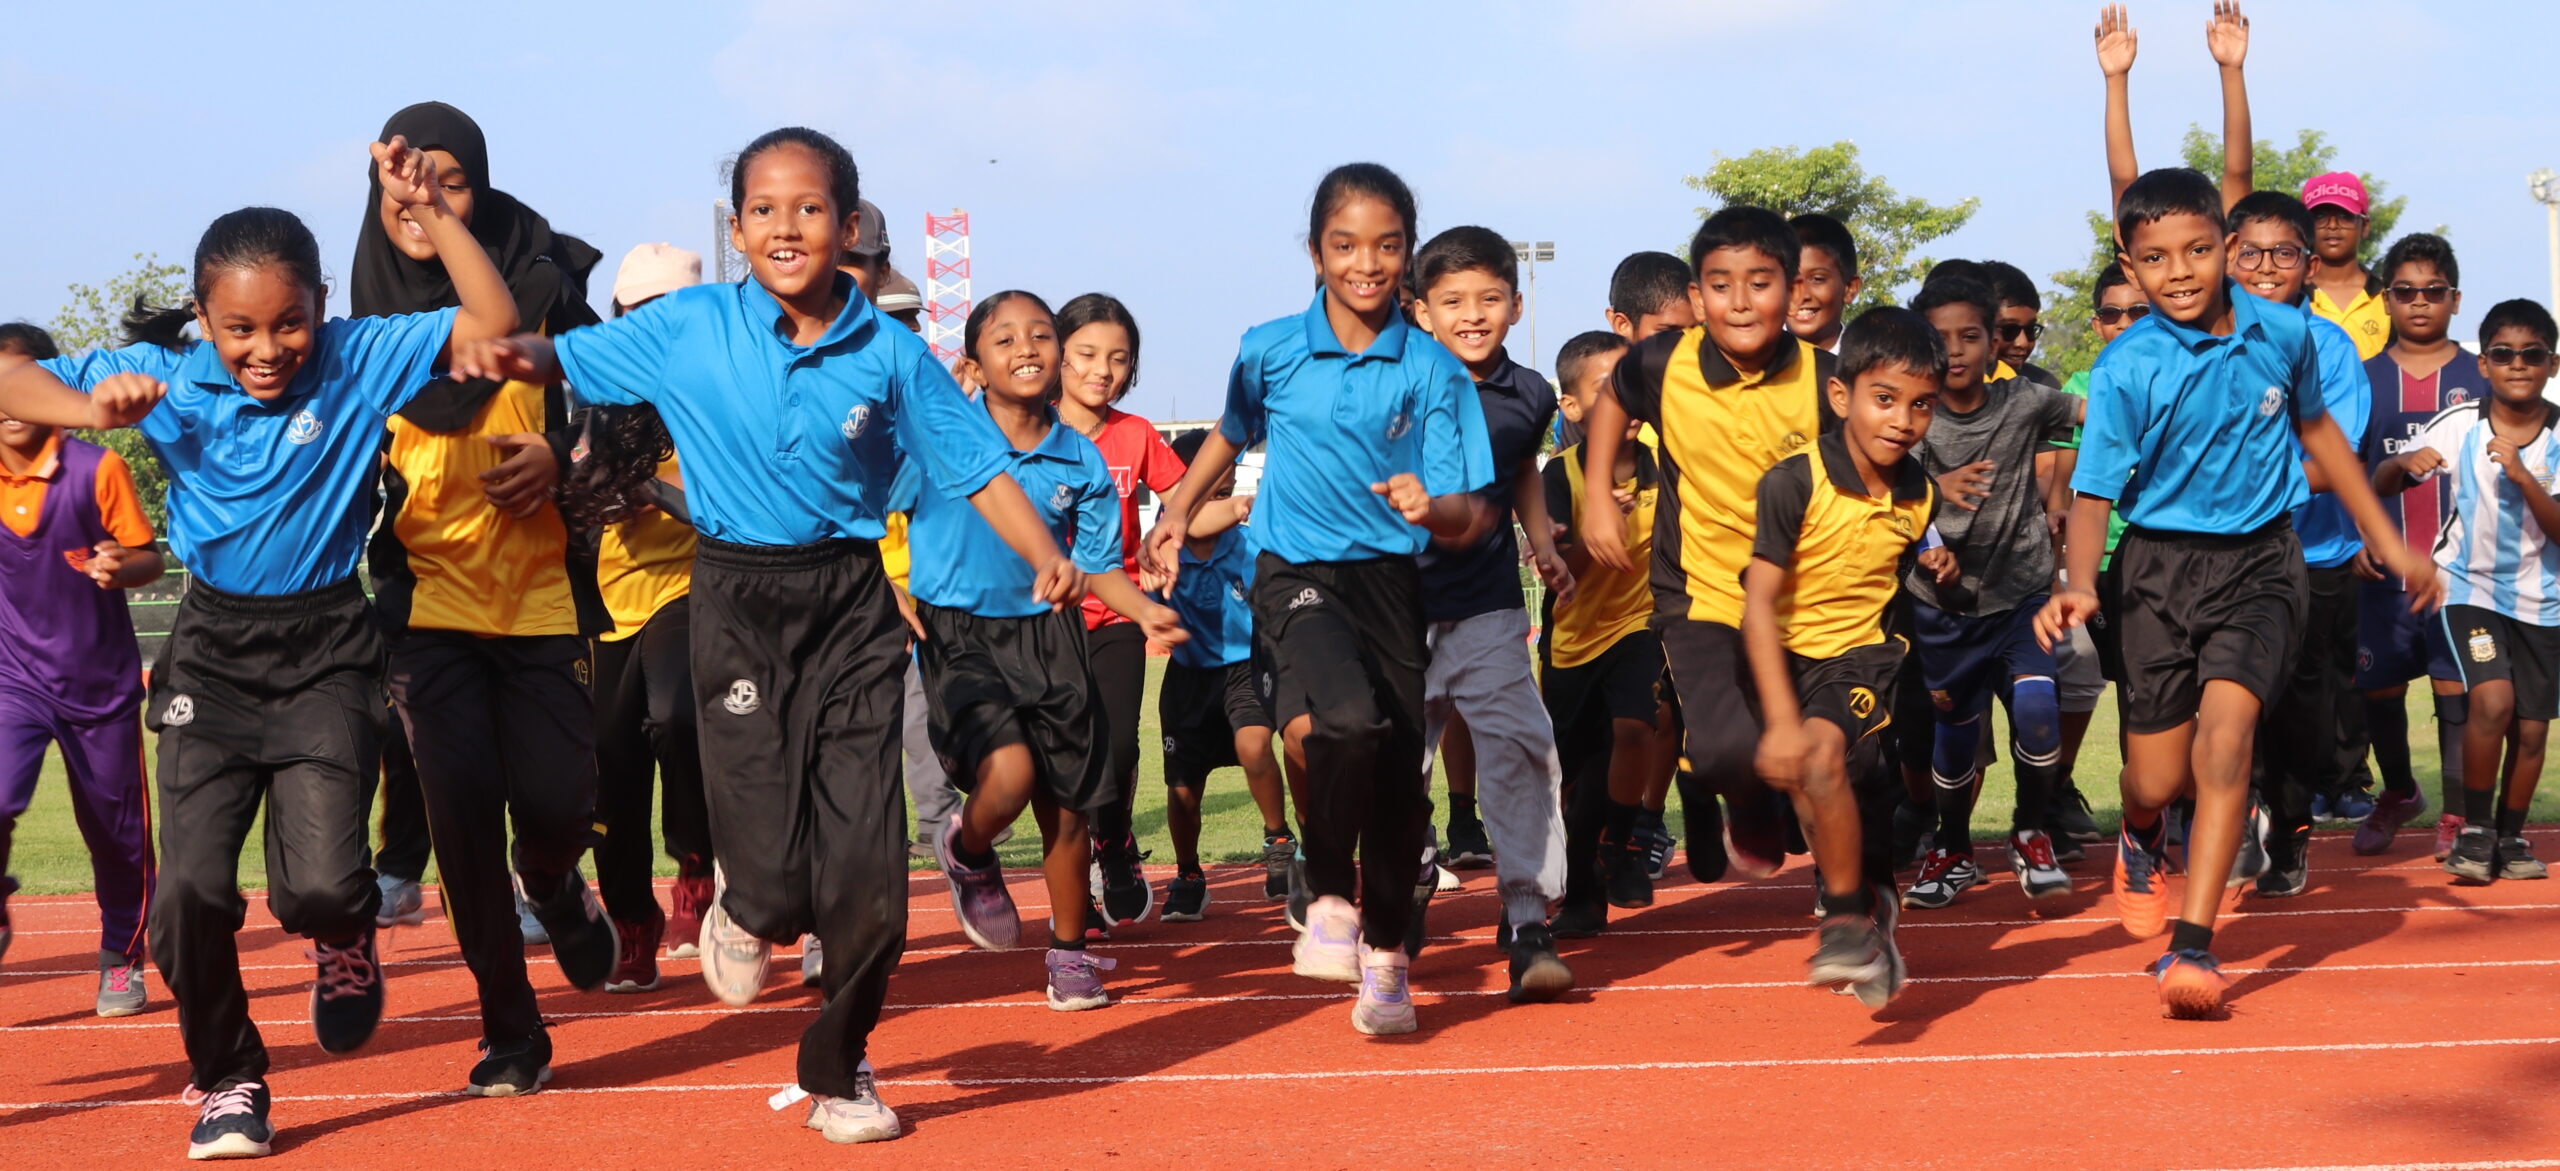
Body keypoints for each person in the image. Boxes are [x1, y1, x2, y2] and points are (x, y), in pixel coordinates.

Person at [454, 127, 1079, 1145]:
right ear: (737, 226)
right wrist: (496, 349)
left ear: (848, 225)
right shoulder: (688, 325)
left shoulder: (887, 350)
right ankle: (745, 909)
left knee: (870, 876)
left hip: (847, 603)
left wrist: (1044, 552)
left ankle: (840, 1070)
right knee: (778, 879)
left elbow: (974, 465)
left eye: (810, 208)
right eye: (765, 210)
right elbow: (556, 354)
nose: (787, 227)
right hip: (737, 600)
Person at [1, 146, 519, 1157]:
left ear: (322, 306)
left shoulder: (359, 358)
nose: (267, 347)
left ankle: (342, 935)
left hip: (328, 644)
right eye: (239, 327)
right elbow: (10, 377)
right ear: (202, 318)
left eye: (289, 321)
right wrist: (88, 409)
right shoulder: (160, 376)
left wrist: (433, 216)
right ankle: (230, 1080)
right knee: (188, 896)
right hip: (213, 653)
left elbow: (494, 325)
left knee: (323, 885)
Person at [2037, 166, 2433, 1020]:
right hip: (2155, 571)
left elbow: (2318, 429)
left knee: (2228, 739)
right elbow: (2095, 494)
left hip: (2262, 565)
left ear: (2225, 245)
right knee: (2154, 772)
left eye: (2196, 250)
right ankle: (2140, 832)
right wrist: (2078, 586)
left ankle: (2193, 945)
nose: (2178, 272)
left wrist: (2386, 535)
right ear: (2127, 264)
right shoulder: (2125, 366)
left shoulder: (2284, 334)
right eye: (2154, 259)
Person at [1141, 162, 1492, 1038]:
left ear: (1407, 252)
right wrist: (1177, 512)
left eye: (1385, 245)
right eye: (1345, 245)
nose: (1365, 263)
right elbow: (1229, 433)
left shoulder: (1432, 368)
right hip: (1294, 572)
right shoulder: (1271, 347)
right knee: (1339, 723)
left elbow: (1468, 509)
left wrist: (1431, 505)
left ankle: (1386, 962)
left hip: (1391, 583)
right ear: (1315, 251)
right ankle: (1328, 892)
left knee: (1397, 786)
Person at [350, 101, 618, 1093]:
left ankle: (551, 878)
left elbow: (630, 417)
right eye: (401, 191)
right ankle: (511, 1029)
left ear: (484, 189)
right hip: (423, 619)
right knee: (457, 817)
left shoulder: (547, 294)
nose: (422, 204)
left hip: (545, 605)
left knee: (553, 805)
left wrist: (563, 457)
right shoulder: (357, 334)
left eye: (449, 184)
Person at [901, 290, 1186, 1011]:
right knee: (1011, 770)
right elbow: (858, 502)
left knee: (1068, 801)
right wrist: (889, 585)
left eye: (1040, 335)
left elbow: (1095, 568)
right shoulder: (940, 437)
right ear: (974, 362)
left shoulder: (1080, 458)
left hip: (1051, 635)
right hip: (961, 633)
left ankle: (1068, 953)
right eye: (1005, 339)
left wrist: (1146, 611)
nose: (1026, 347)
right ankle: (968, 849)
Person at [1579, 205, 1835, 886]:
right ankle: (1741, 797)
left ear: (1796, 291)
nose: (1741, 301)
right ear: (1696, 297)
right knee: (1723, 750)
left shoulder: (1823, 379)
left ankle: (1853, 896)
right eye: (1721, 285)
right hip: (1701, 592)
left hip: (1802, 595)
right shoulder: (1665, 362)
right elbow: (1613, 398)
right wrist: (1600, 493)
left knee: (1828, 753)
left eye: (1761, 282)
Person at [1746, 305, 1951, 1007]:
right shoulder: (1793, 482)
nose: (1902, 420)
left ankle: (1842, 922)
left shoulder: (1918, 490)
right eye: (1885, 399)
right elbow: (1758, 605)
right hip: (1782, 657)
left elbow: (1900, 574)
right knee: (1821, 797)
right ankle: (1873, 899)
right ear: (1842, 396)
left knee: (1820, 755)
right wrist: (1774, 716)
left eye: (1921, 405)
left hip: (1863, 659)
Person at [1406, 225, 1575, 1001]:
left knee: (1519, 749)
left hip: (1487, 607)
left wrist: (1542, 543)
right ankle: (1403, 885)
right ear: (1421, 310)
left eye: (1488, 298)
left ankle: (1529, 919)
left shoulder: (1532, 392)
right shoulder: (1392, 383)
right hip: (1395, 611)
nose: (1471, 314)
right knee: (1394, 767)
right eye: (1452, 301)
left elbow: (1522, 475)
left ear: (1514, 302)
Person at [1897, 277, 2083, 910]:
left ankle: (2032, 833)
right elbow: (1879, 484)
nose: (1956, 350)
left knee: (2036, 711)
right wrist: (1930, 537)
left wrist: (2164, 389)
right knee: (1955, 732)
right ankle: (1951, 847)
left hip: (2023, 596)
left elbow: (2097, 413)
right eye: (1941, 338)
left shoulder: (2029, 401)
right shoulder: (1907, 415)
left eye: (1970, 336)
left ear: (1993, 340)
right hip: (1942, 609)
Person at [2216, 190, 2377, 894]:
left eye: (2283, 253)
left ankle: (2291, 826)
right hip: (2225, 555)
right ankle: (2240, 811)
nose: (2264, 266)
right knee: (2227, 690)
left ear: (2309, 266)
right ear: (2227, 258)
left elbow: (2330, 456)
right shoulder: (2209, 340)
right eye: (2248, 252)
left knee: (2300, 707)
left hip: (2314, 556)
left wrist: (2251, 492)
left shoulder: (2332, 347)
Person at [0, 322, 160, 1019]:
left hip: (101, 689)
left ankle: (120, 956)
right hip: (13, 682)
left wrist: (123, 566)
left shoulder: (98, 468)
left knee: (117, 835)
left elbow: (148, 557)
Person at [2371, 300, 2560, 884]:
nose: (2517, 365)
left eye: (2532, 354)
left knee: (2531, 730)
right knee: (2493, 702)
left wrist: (2525, 477)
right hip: (2469, 590)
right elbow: (2381, 482)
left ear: (2551, 364)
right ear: (2484, 366)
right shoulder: (2459, 423)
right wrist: (2403, 462)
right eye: (2503, 354)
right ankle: (2474, 831)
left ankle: (2510, 834)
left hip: (2544, 601)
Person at [583, 244, 714, 994]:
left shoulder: (718, 395)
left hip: (690, 586)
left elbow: (723, 506)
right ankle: (632, 921)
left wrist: (651, 494)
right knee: (608, 763)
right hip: (602, 603)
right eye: (640, 312)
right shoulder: (593, 398)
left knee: (677, 714)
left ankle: (696, 868)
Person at [1052, 291, 1187, 928]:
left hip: (1119, 614)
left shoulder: (1135, 435)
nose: (1102, 370)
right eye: (1086, 354)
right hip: (1043, 622)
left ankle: (1113, 841)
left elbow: (1187, 498)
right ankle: (1071, 856)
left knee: (1118, 748)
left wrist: (1181, 527)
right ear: (1056, 355)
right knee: (1056, 752)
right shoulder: (1025, 427)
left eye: (1118, 358)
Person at [2352, 233, 2482, 858]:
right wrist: (2353, 536)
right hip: (2383, 570)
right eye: (2405, 292)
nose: (2420, 303)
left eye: (2434, 291)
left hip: (2466, 576)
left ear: (2455, 299)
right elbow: (2341, 467)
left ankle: (2457, 814)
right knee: (2381, 692)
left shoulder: (2481, 375)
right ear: (2388, 299)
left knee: (2456, 690)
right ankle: (2400, 792)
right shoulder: (2364, 377)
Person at [1541, 330, 1668, 936]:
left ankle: (1622, 843)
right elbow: (1561, 567)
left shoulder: (1668, 469)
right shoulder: (1559, 476)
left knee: (1635, 726)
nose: (1624, 398)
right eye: (1605, 387)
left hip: (1641, 625)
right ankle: (1581, 891)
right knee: (1577, 778)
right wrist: (1600, 522)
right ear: (1571, 408)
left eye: (1631, 383)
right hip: (1571, 641)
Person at [1583, 248, 1703, 880]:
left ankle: (1673, 814)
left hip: (1698, 587)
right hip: (1619, 604)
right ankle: (1630, 827)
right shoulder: (1610, 408)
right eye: (1665, 335)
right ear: (1620, 323)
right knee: (1641, 719)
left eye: (1691, 334)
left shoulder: (1702, 399)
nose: (1681, 349)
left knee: (1692, 720)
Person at [1156, 429, 1292, 918]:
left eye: (1229, 489)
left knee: (1254, 744)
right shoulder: (1160, 549)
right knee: (1183, 790)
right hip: (1188, 679)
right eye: (1213, 492)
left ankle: (1279, 841)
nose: (1226, 500)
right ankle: (1189, 874)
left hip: (1244, 666)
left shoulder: (1249, 542)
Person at [2046, 264, 2151, 847]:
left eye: (2139, 311)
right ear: (2097, 323)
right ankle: (2065, 794)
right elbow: (2064, 487)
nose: (2126, 323)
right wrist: (2066, 568)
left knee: (2148, 692)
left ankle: (2153, 807)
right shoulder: (2083, 388)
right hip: (2102, 562)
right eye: (2113, 314)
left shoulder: (2175, 372)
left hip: (2161, 554)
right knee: (2114, 685)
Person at [2304, 172, 2390, 361]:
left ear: (2365, 226)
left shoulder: (2389, 296)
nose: (2332, 226)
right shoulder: (2291, 295)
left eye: (2345, 216)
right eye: (2320, 216)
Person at [1979, 261, 2059, 388]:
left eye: (2030, 330)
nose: (2023, 343)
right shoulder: (1943, 389)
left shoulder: (2043, 386)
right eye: (2009, 330)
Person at [1789, 214, 1862, 354]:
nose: (1802, 295)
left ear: (1850, 288)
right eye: (1789, 279)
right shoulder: (1749, 366)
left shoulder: (1868, 369)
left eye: (1817, 279)